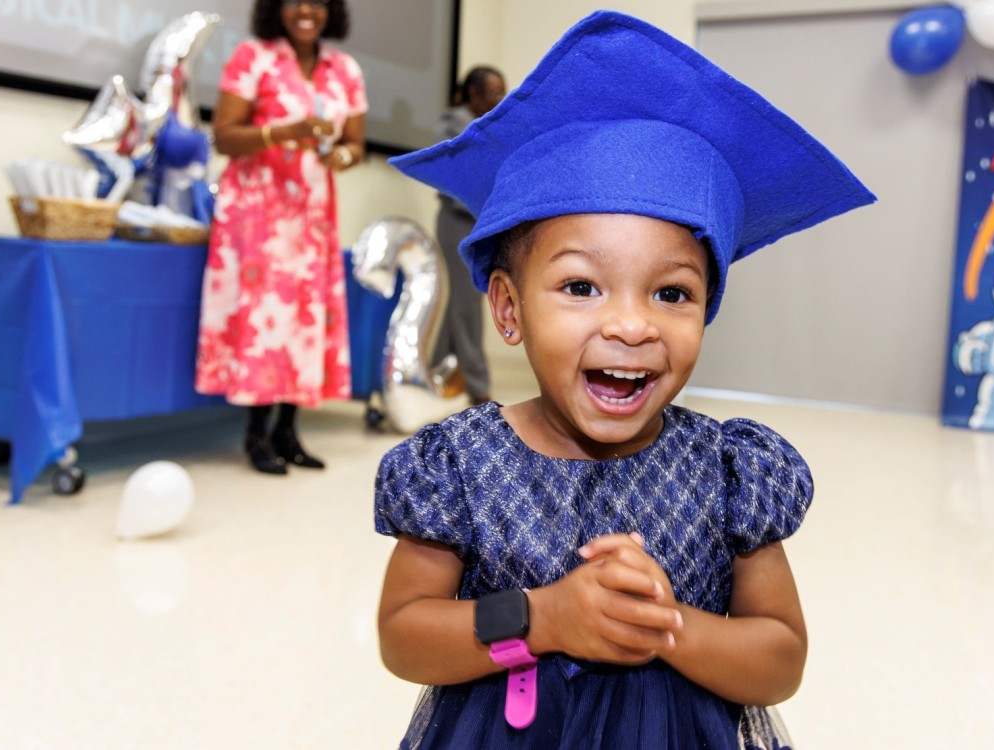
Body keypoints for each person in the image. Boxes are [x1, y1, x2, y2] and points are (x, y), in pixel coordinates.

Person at [374, 11, 874, 750]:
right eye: (581, 287)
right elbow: (403, 635)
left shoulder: (729, 473)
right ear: (509, 308)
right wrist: (544, 618)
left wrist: (664, 626)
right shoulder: (460, 466)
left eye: (672, 294)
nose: (632, 326)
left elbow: (780, 659)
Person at [195, 0, 366, 475]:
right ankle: (255, 435)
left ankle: (287, 430)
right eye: (295, 1)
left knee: (304, 316)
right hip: (258, 213)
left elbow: (355, 143)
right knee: (264, 319)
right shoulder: (254, 56)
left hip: (311, 213)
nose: (306, 10)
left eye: (317, 2)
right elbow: (225, 136)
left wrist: (343, 158)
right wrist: (279, 132)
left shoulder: (345, 69)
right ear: (278, 9)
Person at [430, 66, 507, 405]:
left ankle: (432, 376)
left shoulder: (493, 126)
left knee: (457, 308)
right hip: (458, 223)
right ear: (473, 93)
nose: (499, 99)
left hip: (480, 224)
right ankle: (479, 391)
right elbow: (460, 176)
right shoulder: (454, 123)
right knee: (467, 310)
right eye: (493, 92)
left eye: (503, 91)